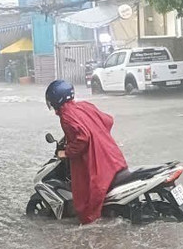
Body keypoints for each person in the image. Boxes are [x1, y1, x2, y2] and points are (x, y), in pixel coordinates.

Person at [45, 79, 128, 224]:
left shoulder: (66, 116)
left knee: (87, 203)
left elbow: (82, 138)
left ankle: (92, 227)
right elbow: (108, 121)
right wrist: (97, 133)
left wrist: (67, 152)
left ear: (55, 100)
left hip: (97, 163)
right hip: (112, 156)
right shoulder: (84, 106)